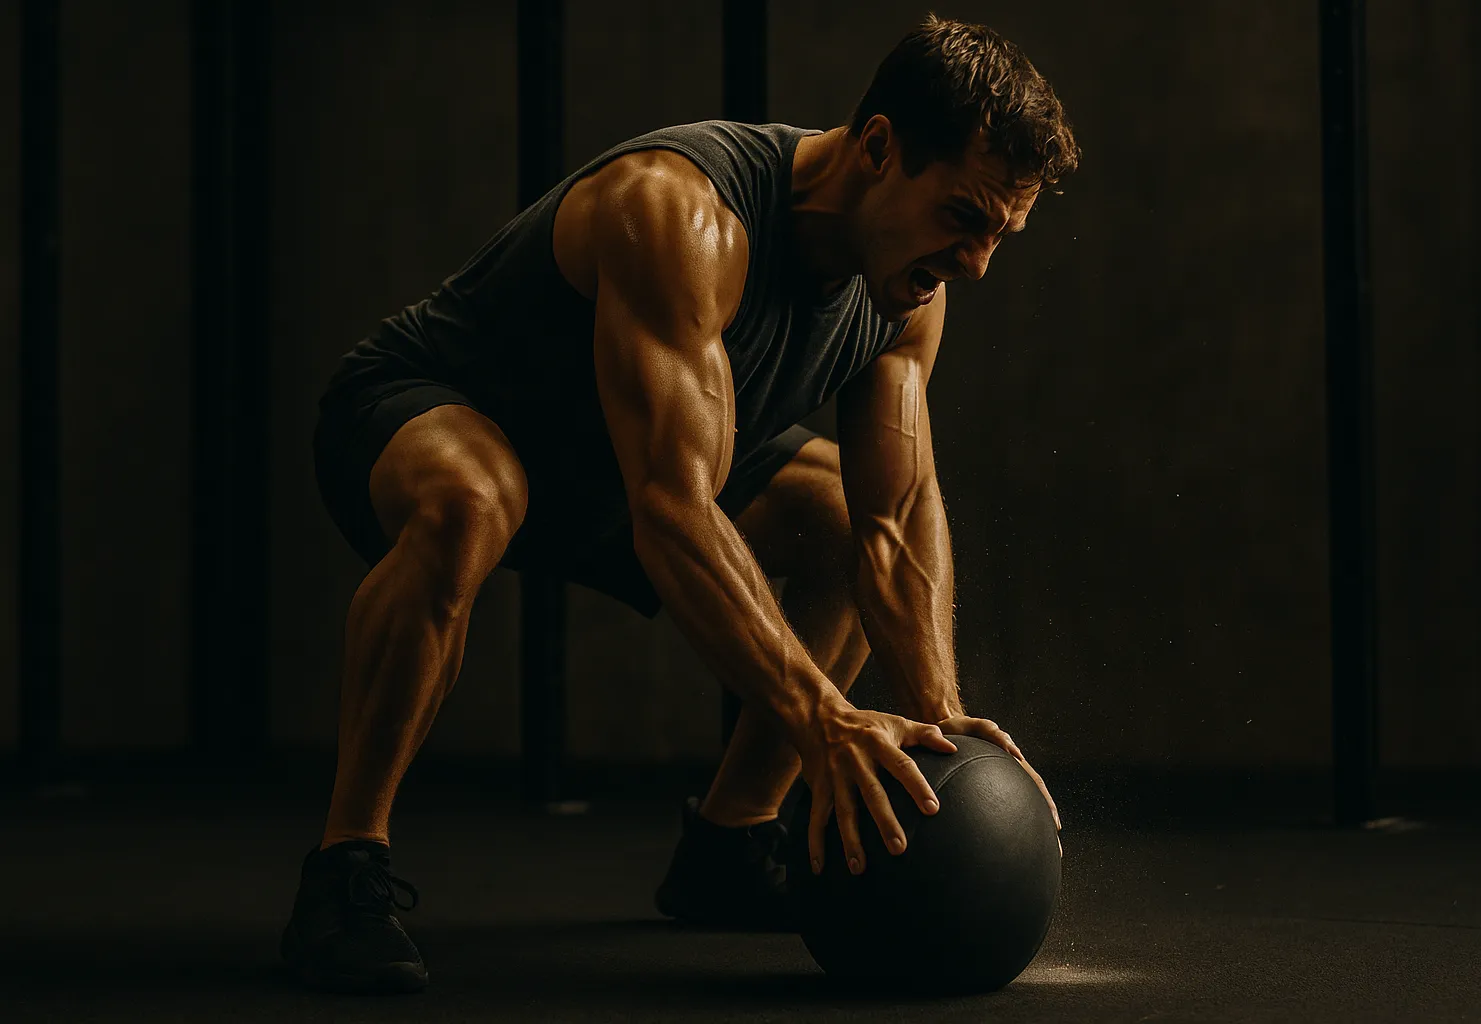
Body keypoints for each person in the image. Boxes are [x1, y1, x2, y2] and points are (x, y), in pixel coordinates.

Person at [281, 13, 1079, 995]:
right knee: (473, 494)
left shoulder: (908, 295)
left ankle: (730, 842)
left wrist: (941, 714)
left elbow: (894, 514)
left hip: (628, 473)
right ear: (878, 147)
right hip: (436, 413)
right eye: (964, 217)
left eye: (1002, 233)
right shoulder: (682, 213)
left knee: (832, 508)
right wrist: (824, 720)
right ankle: (344, 867)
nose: (979, 261)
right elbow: (674, 509)